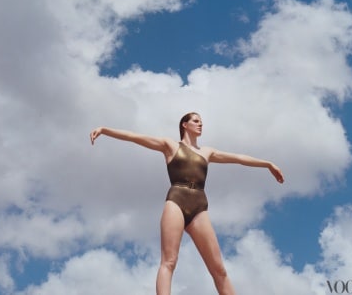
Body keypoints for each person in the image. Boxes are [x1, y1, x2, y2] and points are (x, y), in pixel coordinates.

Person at [90, 112, 284, 295]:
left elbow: (239, 158)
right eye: (196, 120)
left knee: (219, 269)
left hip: (199, 204)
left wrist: (267, 164)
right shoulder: (170, 145)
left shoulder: (207, 152)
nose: (200, 124)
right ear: (185, 125)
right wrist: (105, 129)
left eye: (201, 121)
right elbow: (134, 136)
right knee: (169, 261)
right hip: (176, 200)